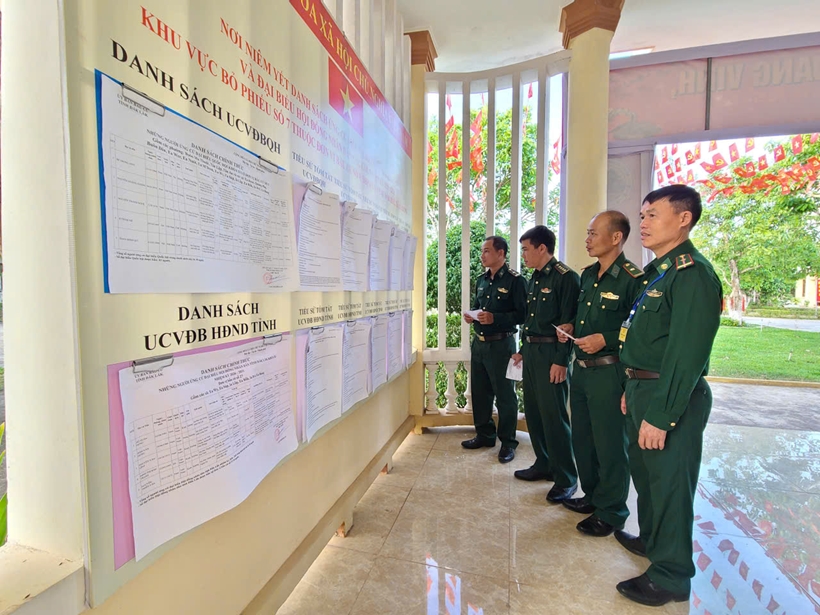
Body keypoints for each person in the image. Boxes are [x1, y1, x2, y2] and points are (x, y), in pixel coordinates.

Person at [614, 185, 722, 607]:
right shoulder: (658, 273)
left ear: (683, 219)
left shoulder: (692, 274)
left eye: (652, 215)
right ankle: (653, 542)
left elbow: (686, 354)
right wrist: (632, 387)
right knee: (648, 480)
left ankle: (671, 576)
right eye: (642, 215)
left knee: (671, 487)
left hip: (670, 396)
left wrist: (661, 414)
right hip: (644, 388)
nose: (643, 222)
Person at [557, 211, 644, 538]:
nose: (587, 239)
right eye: (588, 233)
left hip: (610, 372)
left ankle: (612, 511)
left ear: (616, 237)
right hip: (581, 370)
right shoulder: (589, 275)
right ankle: (592, 496)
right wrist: (571, 327)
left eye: (594, 233)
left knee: (610, 445)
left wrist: (605, 339)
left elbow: (638, 329)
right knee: (584, 439)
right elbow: (586, 318)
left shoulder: (633, 279)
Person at [511, 226, 580, 503]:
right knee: (535, 413)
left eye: (526, 249)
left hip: (552, 354)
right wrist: (522, 351)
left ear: (542, 248)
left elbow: (568, 323)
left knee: (554, 417)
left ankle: (566, 478)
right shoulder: (535, 278)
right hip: (532, 352)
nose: (523, 255)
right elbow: (531, 320)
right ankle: (544, 463)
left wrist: (561, 361)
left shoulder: (566, 278)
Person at [462, 236, 527, 463]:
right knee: (480, 392)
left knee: (505, 394)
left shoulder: (516, 281)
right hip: (479, 343)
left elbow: (522, 315)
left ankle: (508, 442)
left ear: (501, 253)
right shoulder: (481, 280)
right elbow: (478, 306)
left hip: (502, 344)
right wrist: (472, 316)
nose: (482, 255)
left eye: (487, 251)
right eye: (482, 251)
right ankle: (485, 434)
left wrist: (495, 318)